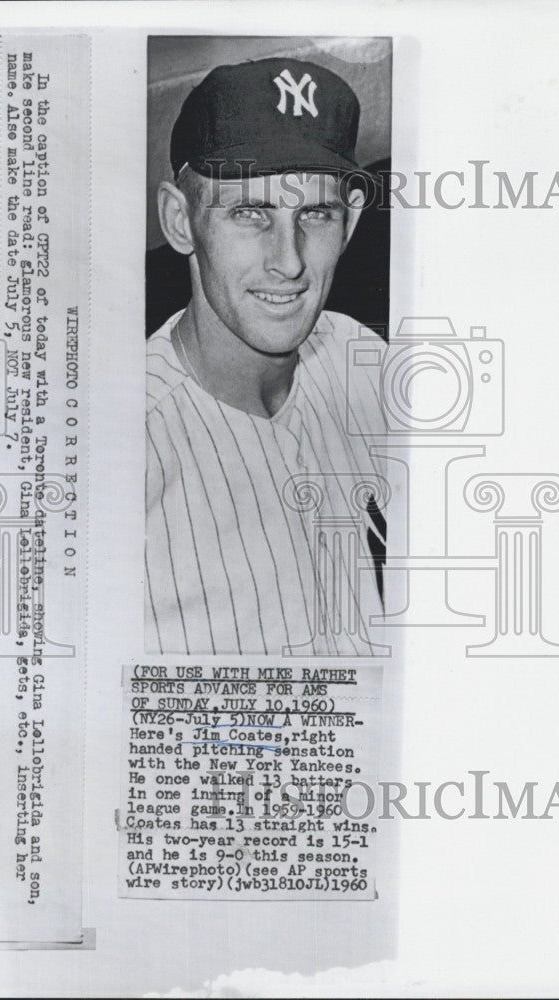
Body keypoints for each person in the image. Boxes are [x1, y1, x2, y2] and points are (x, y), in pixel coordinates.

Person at [145, 57, 387, 655]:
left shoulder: (359, 354)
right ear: (181, 222)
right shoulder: (120, 446)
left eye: (316, 214)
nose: (290, 261)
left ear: (349, 221)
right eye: (249, 213)